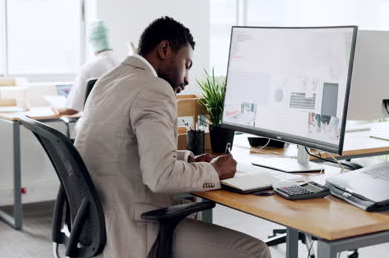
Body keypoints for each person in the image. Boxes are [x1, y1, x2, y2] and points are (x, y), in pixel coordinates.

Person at [74, 16, 271, 258]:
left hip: (94, 227)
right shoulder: (154, 89)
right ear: (165, 49)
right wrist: (215, 171)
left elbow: (120, 148)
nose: (187, 78)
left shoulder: (108, 81)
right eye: (186, 64)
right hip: (131, 230)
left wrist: (185, 159)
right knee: (256, 251)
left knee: (189, 209)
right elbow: (161, 177)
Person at [60, 20, 120, 115]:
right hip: (121, 127)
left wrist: (57, 110)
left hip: (94, 126)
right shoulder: (123, 64)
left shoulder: (89, 67)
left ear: (92, 42)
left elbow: (72, 110)